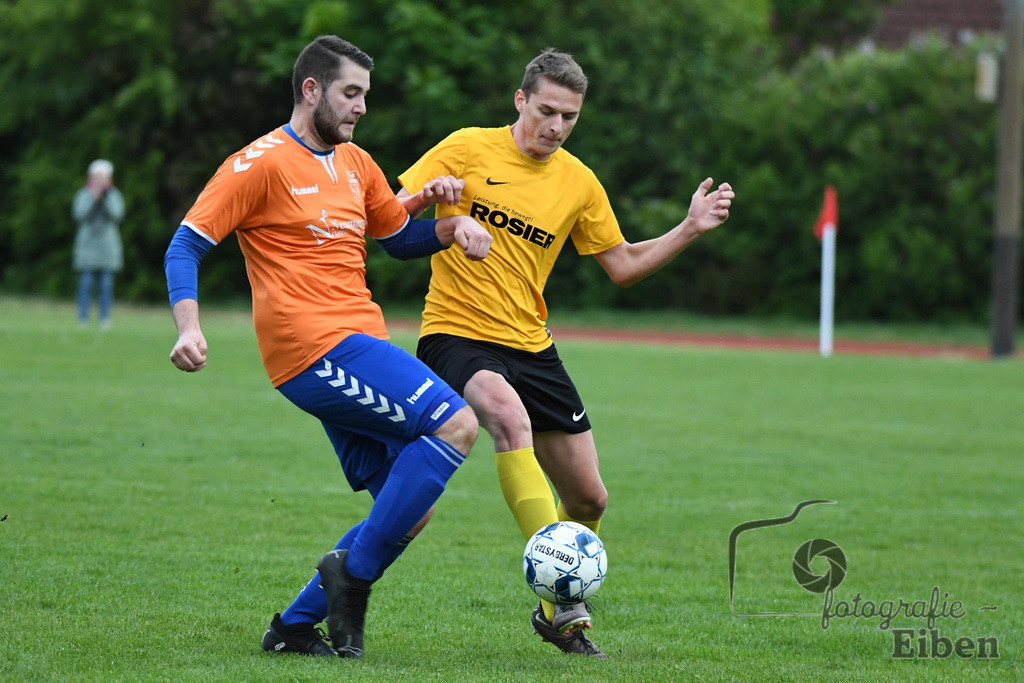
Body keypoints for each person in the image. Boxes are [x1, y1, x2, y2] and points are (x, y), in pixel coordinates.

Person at [397, 48, 734, 658]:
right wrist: (427, 197)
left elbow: (623, 266)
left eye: (569, 117)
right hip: (456, 332)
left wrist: (687, 229)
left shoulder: (578, 182)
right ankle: (565, 602)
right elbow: (388, 219)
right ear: (520, 100)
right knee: (506, 417)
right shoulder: (466, 148)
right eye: (546, 111)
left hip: (533, 345)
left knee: (590, 498)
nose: (555, 127)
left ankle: (557, 606)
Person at [164, 35, 492, 659]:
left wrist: (448, 226)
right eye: (351, 93)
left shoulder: (356, 164)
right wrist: (189, 325)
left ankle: (291, 627)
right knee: (457, 424)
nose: (361, 107)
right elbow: (185, 244)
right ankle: (353, 580)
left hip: (358, 339)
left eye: (365, 95)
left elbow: (394, 239)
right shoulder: (257, 163)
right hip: (313, 347)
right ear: (311, 90)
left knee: (406, 508)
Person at [72, 159, 125, 329]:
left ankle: (105, 318)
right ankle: (83, 318)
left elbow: (117, 215)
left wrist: (105, 199)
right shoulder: (84, 194)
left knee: (106, 285)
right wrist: (92, 199)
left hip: (107, 248)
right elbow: (78, 215)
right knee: (85, 284)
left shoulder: (114, 195)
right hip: (87, 246)